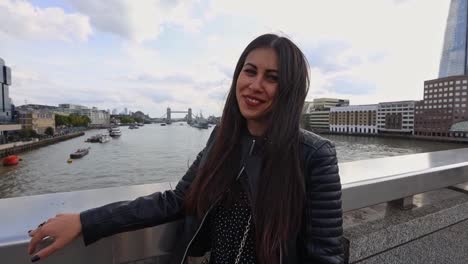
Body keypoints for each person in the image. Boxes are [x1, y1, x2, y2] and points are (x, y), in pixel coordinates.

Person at [28, 33, 344, 264]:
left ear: (288, 90)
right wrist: (87, 221)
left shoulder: (314, 156)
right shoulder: (223, 137)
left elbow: (325, 255)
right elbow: (178, 201)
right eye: (249, 71)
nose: (255, 84)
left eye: (271, 78)